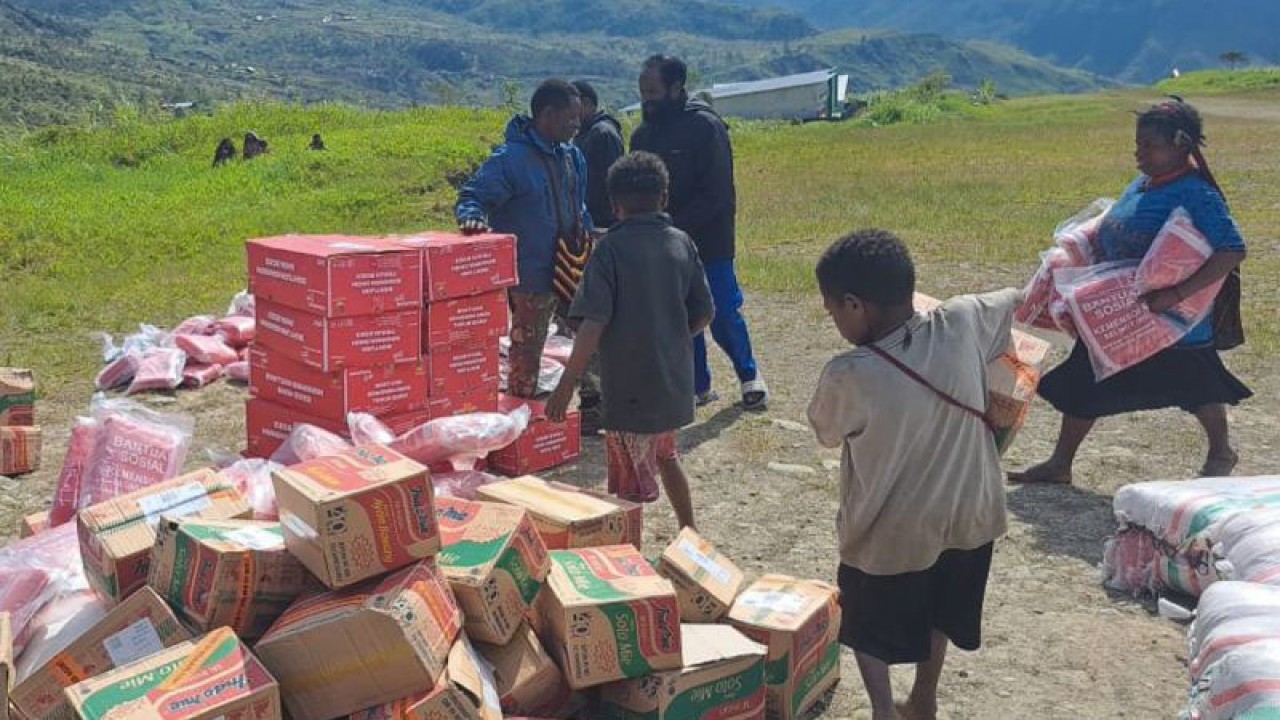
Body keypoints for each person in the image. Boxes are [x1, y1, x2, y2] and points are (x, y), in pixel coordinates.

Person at [807, 229, 1018, 720]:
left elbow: (826, 431)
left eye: (833, 307)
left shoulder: (850, 373)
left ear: (856, 305)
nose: (833, 317)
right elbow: (1018, 299)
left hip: (891, 533)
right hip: (972, 514)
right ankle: (924, 698)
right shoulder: (963, 320)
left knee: (865, 625)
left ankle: (884, 711)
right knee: (941, 608)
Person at [1010, 98, 1250, 484]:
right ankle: (1060, 464)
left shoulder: (1196, 194)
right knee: (1086, 376)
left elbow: (1232, 250)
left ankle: (1222, 452)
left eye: (1149, 147)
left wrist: (1174, 295)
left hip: (1170, 320)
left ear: (1180, 146)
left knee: (1197, 385)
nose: (1139, 155)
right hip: (1122, 312)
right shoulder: (1144, 182)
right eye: (1138, 145)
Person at [546, 151, 714, 530]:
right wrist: (667, 336)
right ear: (665, 198)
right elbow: (704, 313)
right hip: (671, 382)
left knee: (626, 490)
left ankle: (627, 564)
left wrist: (565, 385)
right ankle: (690, 533)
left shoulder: (610, 249)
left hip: (629, 387)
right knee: (667, 456)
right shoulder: (682, 243)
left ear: (615, 205)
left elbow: (592, 324)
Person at [455, 79, 602, 432]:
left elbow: (579, 205)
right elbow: (473, 196)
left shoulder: (573, 155)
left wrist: (590, 238)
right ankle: (522, 419)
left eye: (578, 118)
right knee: (527, 349)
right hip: (531, 273)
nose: (576, 125)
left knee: (592, 333)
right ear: (546, 115)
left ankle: (595, 405)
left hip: (573, 264)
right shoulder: (510, 160)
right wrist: (472, 218)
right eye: (570, 118)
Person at [631, 55, 768, 411]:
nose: (646, 99)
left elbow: (717, 193)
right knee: (680, 315)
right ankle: (697, 385)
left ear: (676, 88)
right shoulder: (643, 135)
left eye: (653, 91)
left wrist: (672, 226)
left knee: (722, 310)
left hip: (710, 240)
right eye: (642, 91)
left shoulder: (706, 127)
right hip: (663, 243)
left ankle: (749, 376)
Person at [571, 80, 625, 229]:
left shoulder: (602, 134)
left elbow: (612, 181)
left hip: (603, 221)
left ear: (586, 103)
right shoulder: (584, 133)